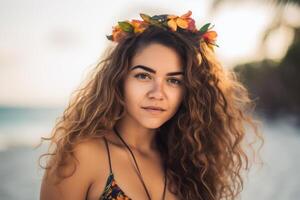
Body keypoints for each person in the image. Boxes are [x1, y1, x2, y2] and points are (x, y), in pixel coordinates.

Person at [39, 10, 262, 200]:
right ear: (120, 78)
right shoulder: (82, 155)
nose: (158, 93)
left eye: (174, 80)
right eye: (143, 76)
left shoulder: (189, 161)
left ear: (189, 90)